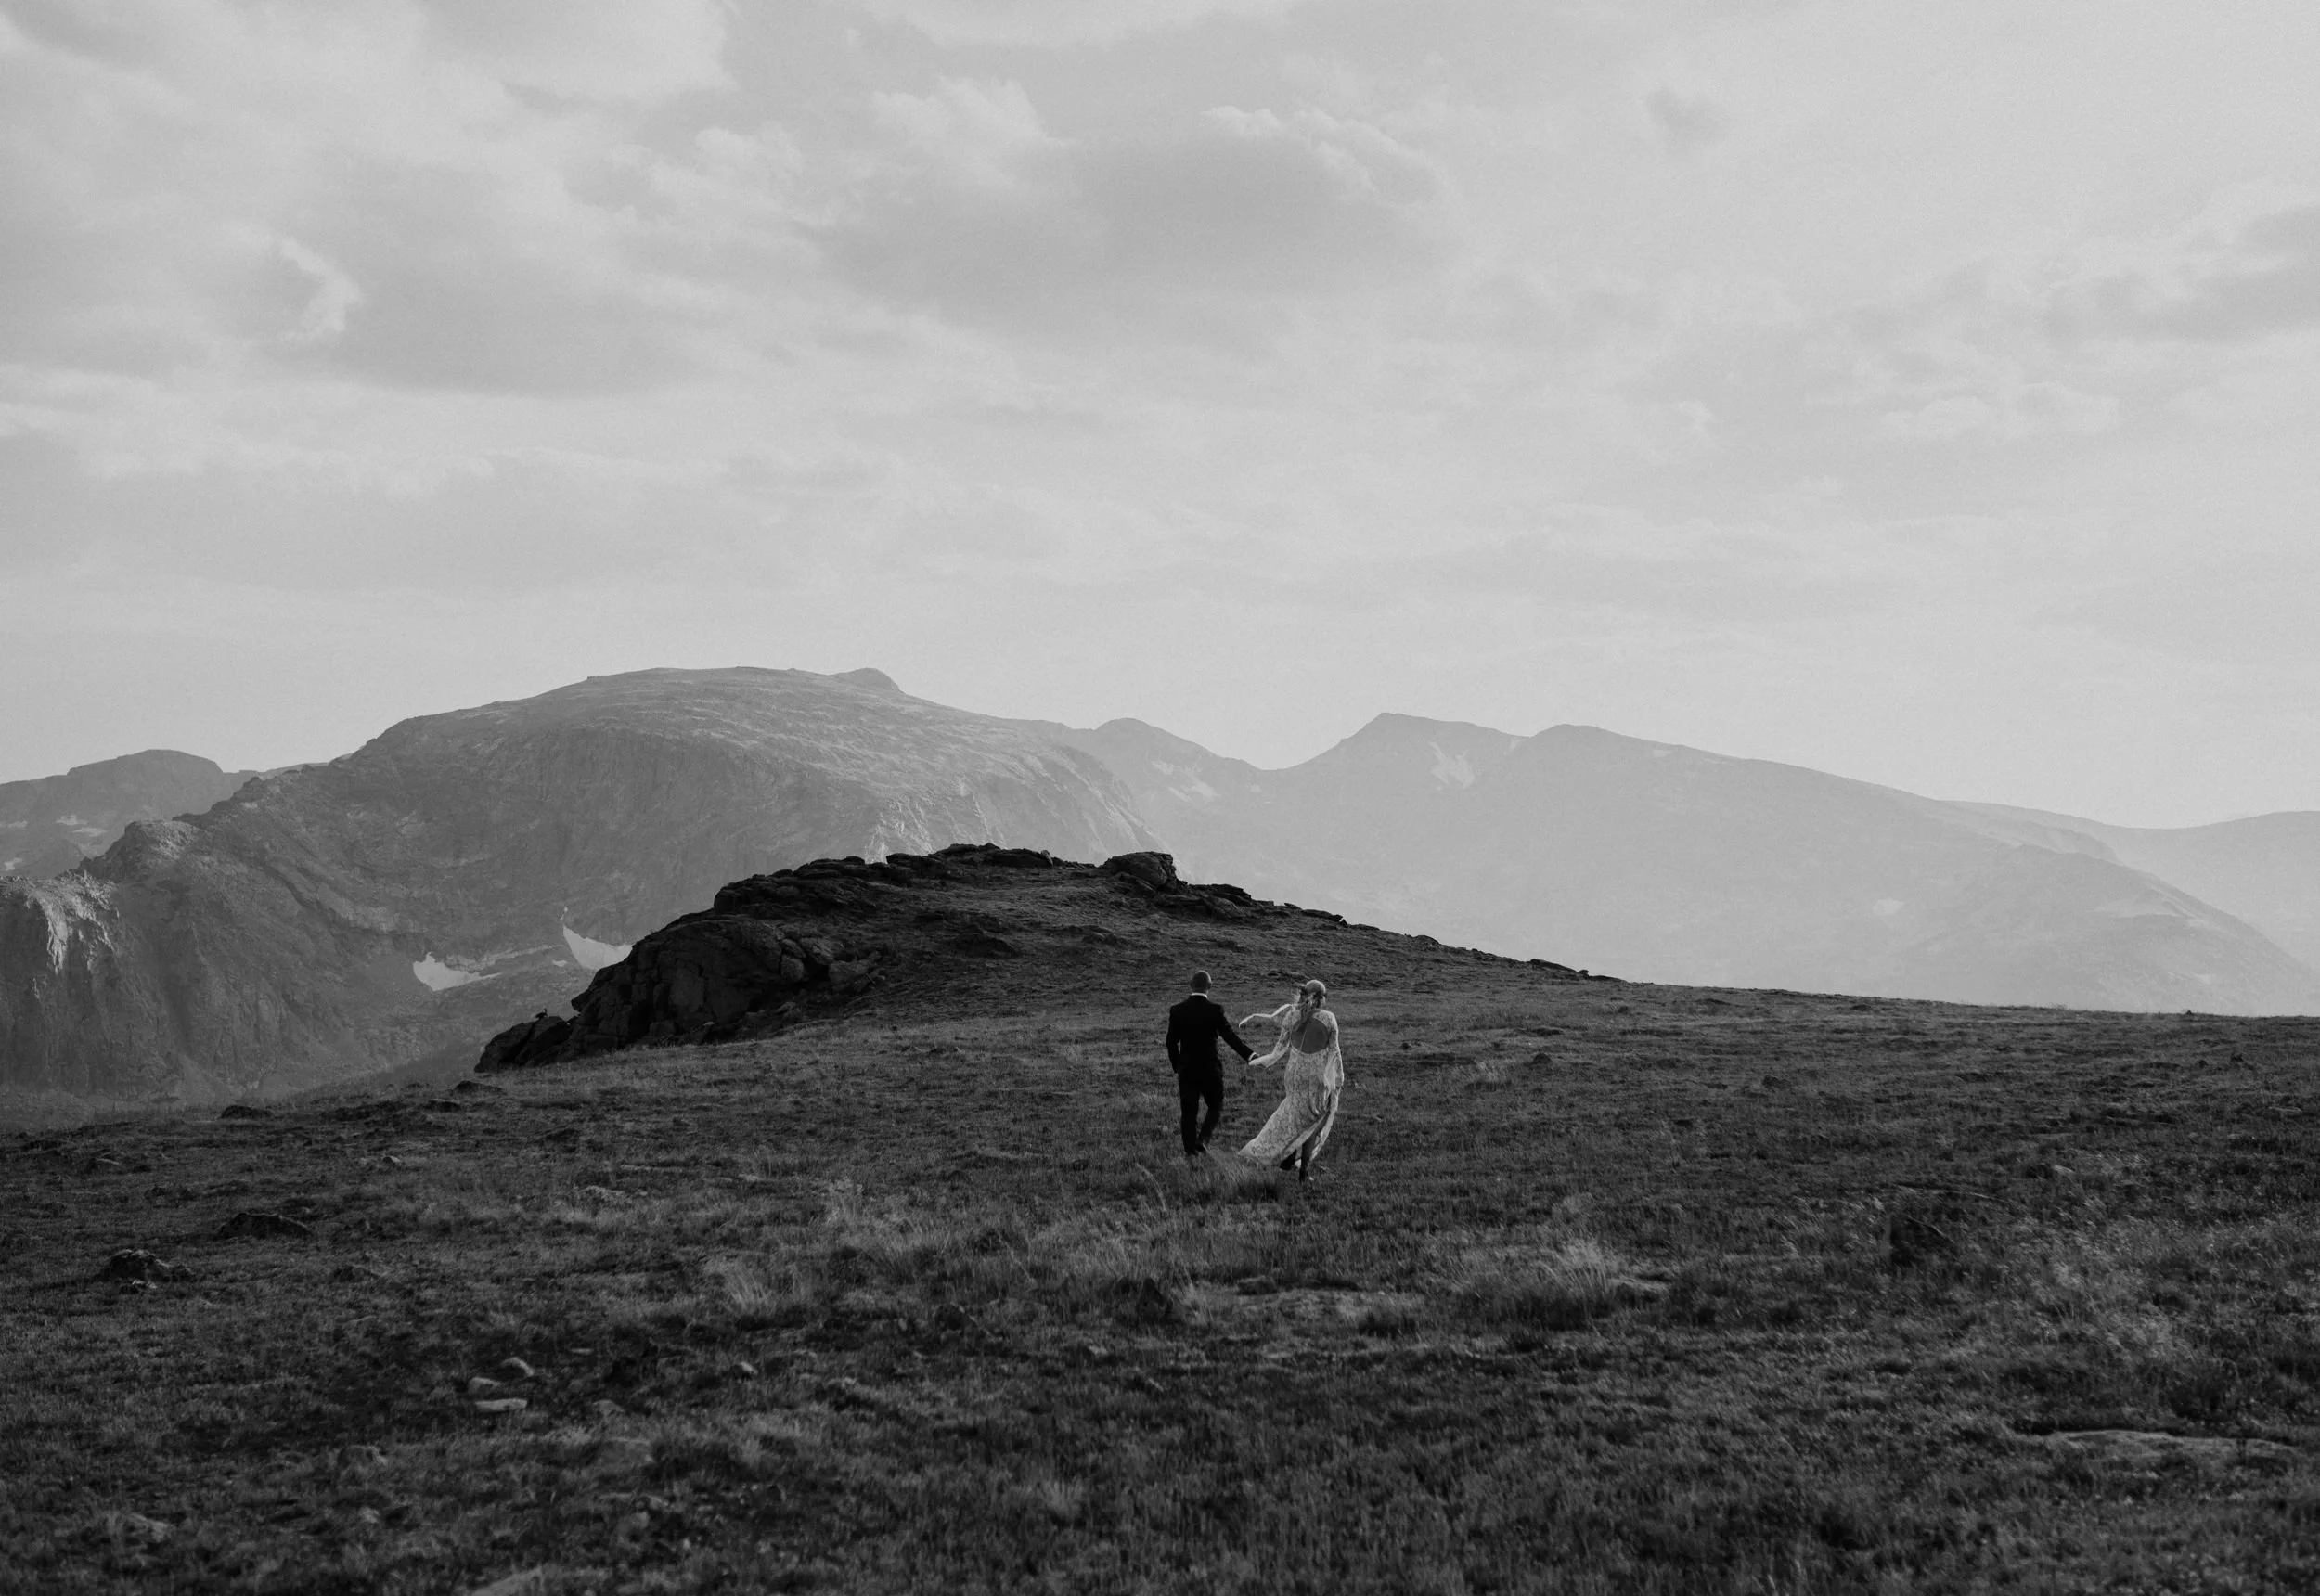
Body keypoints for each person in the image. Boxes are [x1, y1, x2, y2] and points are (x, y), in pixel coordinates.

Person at [1238, 978, 1343, 1182]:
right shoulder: (1329, 1019)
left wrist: (1260, 1060)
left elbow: (1278, 1050)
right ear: (1322, 999)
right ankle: (1303, 1171)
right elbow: (1334, 1051)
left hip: (1294, 1074)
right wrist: (1337, 1079)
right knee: (1311, 1122)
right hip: (1317, 1077)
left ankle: (1285, 1155)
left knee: (1293, 1115)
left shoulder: (1291, 1016)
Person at [1166, 970, 1252, 1160]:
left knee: (1188, 1112)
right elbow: (1230, 1037)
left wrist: (1177, 1065)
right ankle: (1203, 1139)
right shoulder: (1215, 1010)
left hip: (1187, 1069)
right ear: (1210, 987)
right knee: (1216, 1105)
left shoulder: (1177, 1010)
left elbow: (1171, 1042)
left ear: (1190, 985)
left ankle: (1190, 1152)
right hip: (1210, 1069)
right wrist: (1250, 1055)